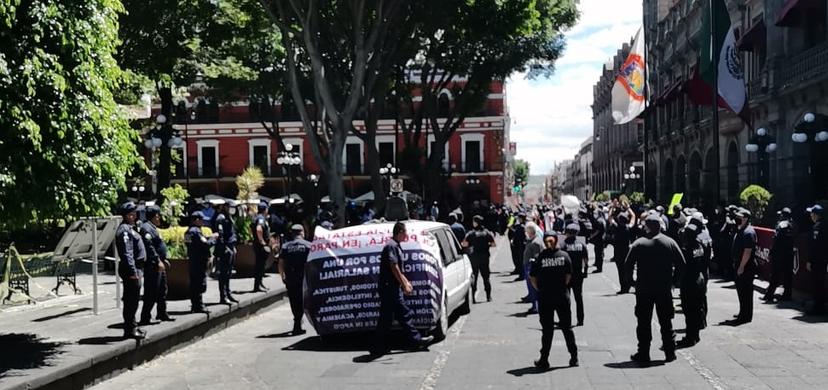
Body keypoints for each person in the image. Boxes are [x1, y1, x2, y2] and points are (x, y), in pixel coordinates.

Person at [625, 214, 684, 364]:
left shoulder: (639, 244)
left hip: (644, 289)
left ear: (647, 227)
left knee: (643, 322)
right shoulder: (670, 242)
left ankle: (643, 353)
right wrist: (674, 281)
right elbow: (681, 263)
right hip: (664, 288)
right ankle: (670, 352)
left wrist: (632, 281)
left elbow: (627, 264)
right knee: (666, 321)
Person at [371, 222, 433, 356]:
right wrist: (403, 284)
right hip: (389, 288)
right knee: (401, 314)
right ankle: (415, 341)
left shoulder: (395, 246)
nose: (407, 235)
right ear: (399, 232)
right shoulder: (391, 246)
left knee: (388, 318)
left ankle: (379, 347)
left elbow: (398, 268)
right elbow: (394, 267)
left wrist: (405, 282)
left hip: (392, 287)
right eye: (405, 232)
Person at [529, 232, 579, 369]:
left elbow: (532, 277)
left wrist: (539, 289)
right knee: (567, 328)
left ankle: (544, 359)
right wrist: (562, 286)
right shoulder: (564, 256)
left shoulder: (539, 257)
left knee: (547, 330)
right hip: (562, 296)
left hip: (545, 297)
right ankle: (574, 357)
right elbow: (569, 275)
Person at [116, 202, 147, 339]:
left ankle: (133, 326)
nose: (134, 215)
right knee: (131, 300)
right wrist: (132, 271)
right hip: (132, 269)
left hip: (137, 267)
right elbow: (127, 252)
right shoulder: (124, 230)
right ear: (127, 215)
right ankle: (130, 329)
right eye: (132, 213)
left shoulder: (130, 228)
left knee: (133, 300)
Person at [138, 205, 173, 325]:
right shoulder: (146, 228)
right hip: (153, 265)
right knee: (151, 292)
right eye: (158, 216)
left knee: (163, 290)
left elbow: (158, 245)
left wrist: (164, 259)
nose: (160, 219)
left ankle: (162, 313)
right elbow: (149, 247)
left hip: (160, 264)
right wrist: (158, 260)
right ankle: (145, 317)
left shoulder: (153, 228)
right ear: (155, 216)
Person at [677, 223, 707, 348]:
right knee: (697, 309)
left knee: (689, 311)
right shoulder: (700, 246)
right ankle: (696, 334)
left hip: (689, 282)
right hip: (699, 279)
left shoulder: (686, 249)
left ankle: (690, 337)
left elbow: (681, 267)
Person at [279, 224, 312, 335]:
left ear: (292, 233)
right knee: (305, 300)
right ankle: (303, 323)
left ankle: (297, 322)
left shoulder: (285, 246)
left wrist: (282, 276)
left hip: (291, 278)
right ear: (302, 232)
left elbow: (281, 263)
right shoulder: (309, 246)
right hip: (305, 279)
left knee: (294, 301)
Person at [185, 211, 217, 313]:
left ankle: (195, 305)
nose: (203, 222)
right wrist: (213, 238)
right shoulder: (195, 231)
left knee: (194, 283)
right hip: (199, 261)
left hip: (193, 260)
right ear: (197, 220)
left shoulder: (188, 231)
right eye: (202, 220)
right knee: (200, 283)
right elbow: (205, 244)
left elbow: (192, 244)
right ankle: (199, 305)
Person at [762, 208, 795, 303]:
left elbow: (776, 240)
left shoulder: (781, 224)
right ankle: (787, 295)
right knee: (788, 276)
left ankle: (769, 295)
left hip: (779, 254)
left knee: (775, 275)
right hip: (789, 253)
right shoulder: (793, 224)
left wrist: (771, 252)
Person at [731, 208, 757, 324]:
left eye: (739, 217)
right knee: (741, 292)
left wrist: (741, 267)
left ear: (745, 219)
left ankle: (746, 316)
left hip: (746, 266)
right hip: (739, 264)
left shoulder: (748, 232)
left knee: (745, 292)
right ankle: (743, 312)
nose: (737, 219)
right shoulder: (740, 230)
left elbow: (747, 251)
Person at [463, 215, 496, 303]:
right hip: (485, 257)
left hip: (474, 258)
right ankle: (488, 297)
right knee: (486, 277)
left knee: (474, 277)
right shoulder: (487, 232)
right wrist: (486, 245)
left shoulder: (471, 233)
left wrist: (470, 246)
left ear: (476, 222)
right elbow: (493, 244)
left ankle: (473, 298)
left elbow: (464, 244)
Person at [560, 224, 588, 326]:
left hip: (566, 275)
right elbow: (585, 259)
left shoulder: (562, 245)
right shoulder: (581, 245)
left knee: (566, 298)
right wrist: (585, 271)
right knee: (578, 297)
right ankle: (580, 320)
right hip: (578, 274)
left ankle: (566, 319)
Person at [215, 202, 238, 304]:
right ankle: (223, 296)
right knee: (223, 273)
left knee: (228, 273)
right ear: (225, 207)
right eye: (230, 207)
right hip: (225, 248)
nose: (232, 209)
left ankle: (228, 293)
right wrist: (224, 248)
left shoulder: (229, 217)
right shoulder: (221, 217)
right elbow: (220, 235)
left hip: (230, 247)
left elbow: (231, 232)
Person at [806, 204, 827, 315]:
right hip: (823, 260)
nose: (810, 215)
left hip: (817, 261)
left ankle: (818, 307)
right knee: (821, 283)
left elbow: (815, 246)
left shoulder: (817, 227)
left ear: (815, 215)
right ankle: (820, 305)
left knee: (817, 283)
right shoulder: (825, 225)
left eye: (811, 213)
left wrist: (809, 260)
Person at [522, 222, 544, 314]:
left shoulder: (535, 242)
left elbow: (536, 257)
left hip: (531, 267)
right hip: (528, 266)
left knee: (533, 288)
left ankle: (536, 307)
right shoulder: (532, 240)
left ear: (530, 232)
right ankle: (534, 305)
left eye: (526, 231)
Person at [612, 214, 633, 294]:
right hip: (627, 252)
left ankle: (623, 287)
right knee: (627, 269)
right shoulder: (628, 228)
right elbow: (633, 219)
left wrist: (612, 208)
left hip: (618, 252)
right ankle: (628, 285)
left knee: (621, 271)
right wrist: (629, 209)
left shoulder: (617, 228)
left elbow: (610, 219)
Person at [252, 202, 270, 292]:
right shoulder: (260, 219)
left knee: (261, 266)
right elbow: (259, 229)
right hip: (260, 246)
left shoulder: (257, 217)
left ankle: (260, 283)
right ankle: (257, 286)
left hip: (258, 245)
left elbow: (250, 228)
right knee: (260, 266)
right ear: (265, 209)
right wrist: (262, 241)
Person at [508, 214, 527, 279]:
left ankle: (522, 275)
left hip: (520, 246)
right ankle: (520, 272)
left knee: (521, 260)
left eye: (519, 218)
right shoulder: (520, 226)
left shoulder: (522, 226)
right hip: (518, 245)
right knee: (519, 259)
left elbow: (519, 235)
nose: (518, 219)